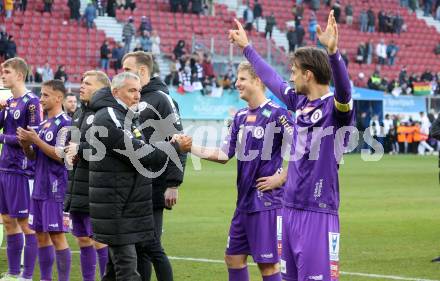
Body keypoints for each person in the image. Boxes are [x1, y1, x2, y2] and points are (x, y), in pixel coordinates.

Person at [229, 10, 355, 281]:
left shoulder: (335, 110)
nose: (291, 78)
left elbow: (345, 90)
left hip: (318, 211)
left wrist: (333, 53)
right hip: (288, 209)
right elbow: (272, 79)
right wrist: (247, 48)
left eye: (295, 72)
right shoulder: (299, 104)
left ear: (308, 75)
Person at [177, 61, 294, 281]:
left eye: (242, 79)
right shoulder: (239, 117)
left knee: (267, 266)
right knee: (233, 258)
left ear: (258, 81)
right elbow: (223, 154)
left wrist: (282, 177)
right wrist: (190, 147)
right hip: (244, 203)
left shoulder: (278, 114)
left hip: (267, 204)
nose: (237, 84)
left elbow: (306, 150)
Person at [88, 72, 183, 281]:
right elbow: (141, 154)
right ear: (115, 92)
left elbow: (143, 149)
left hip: (126, 204)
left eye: (139, 90)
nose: (137, 95)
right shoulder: (110, 116)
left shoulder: (126, 116)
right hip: (116, 205)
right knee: (128, 270)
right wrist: (175, 146)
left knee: (115, 271)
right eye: (131, 90)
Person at [122, 51, 186, 281]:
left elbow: (178, 141)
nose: (122, 72)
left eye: (126, 67)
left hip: (155, 183)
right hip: (132, 184)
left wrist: (173, 183)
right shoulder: (132, 98)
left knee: (151, 246)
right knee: (138, 247)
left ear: (141, 71)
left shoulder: (161, 99)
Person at [17, 80, 72, 281]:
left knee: (57, 236)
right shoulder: (42, 124)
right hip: (39, 187)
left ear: (58, 98)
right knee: (40, 235)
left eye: (46, 95)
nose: (41, 99)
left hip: (55, 187)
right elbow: (34, 157)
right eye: (41, 95)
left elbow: (61, 155)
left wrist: (36, 140)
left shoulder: (66, 123)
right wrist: (25, 145)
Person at [64, 71, 111, 281]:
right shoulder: (79, 113)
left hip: (97, 188)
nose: (81, 86)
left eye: (87, 83)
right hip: (77, 187)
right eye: (81, 82)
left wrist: (79, 149)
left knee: (99, 241)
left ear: (101, 88)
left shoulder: (105, 113)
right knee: (82, 240)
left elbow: (107, 149)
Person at [0, 57, 41, 281]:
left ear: (19, 75)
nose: (2, 75)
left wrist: (1, 138)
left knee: (26, 224)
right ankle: (13, 272)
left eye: (6, 72)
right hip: (4, 168)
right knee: (7, 221)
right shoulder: (9, 103)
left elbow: (31, 139)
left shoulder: (32, 102)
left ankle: (26, 275)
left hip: (22, 170)